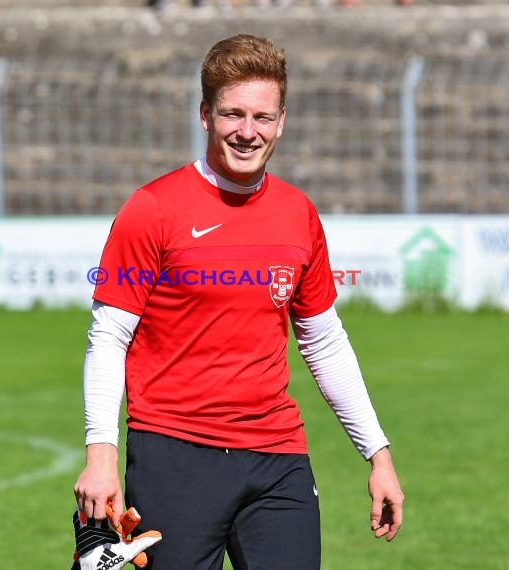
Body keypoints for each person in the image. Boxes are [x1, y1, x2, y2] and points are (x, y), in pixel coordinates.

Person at [73, 34, 404, 570]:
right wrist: (101, 455)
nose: (247, 132)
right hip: (174, 455)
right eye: (232, 114)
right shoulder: (151, 209)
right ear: (205, 115)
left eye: (262, 117)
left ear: (282, 121)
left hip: (278, 457)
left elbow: (323, 341)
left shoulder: (299, 214)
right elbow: (109, 335)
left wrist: (378, 455)